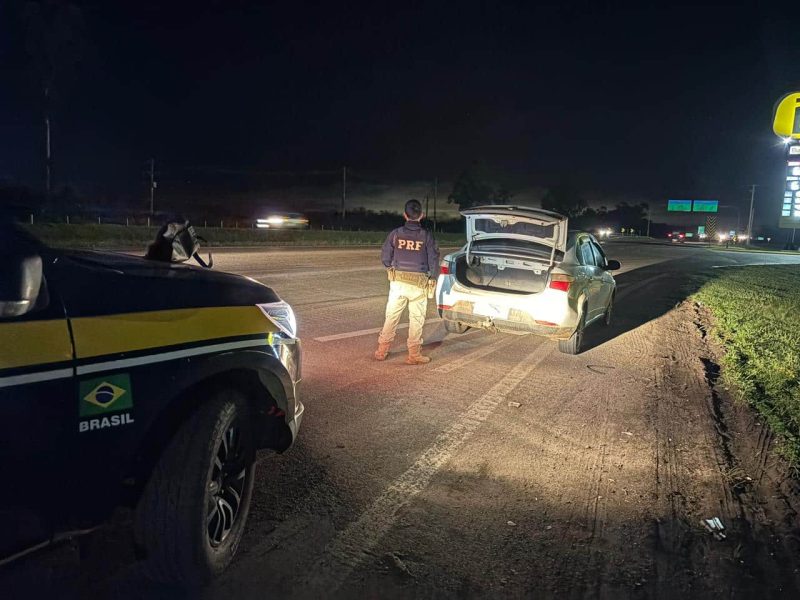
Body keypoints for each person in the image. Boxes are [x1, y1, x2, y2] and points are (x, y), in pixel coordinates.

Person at [374, 199, 440, 364]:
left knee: (391, 317)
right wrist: (432, 278)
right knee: (416, 319)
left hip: (398, 283)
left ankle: (382, 351)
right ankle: (414, 355)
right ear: (421, 215)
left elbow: (385, 256)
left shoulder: (395, 234)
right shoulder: (426, 236)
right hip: (418, 284)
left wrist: (391, 267)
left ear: (405, 215)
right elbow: (433, 258)